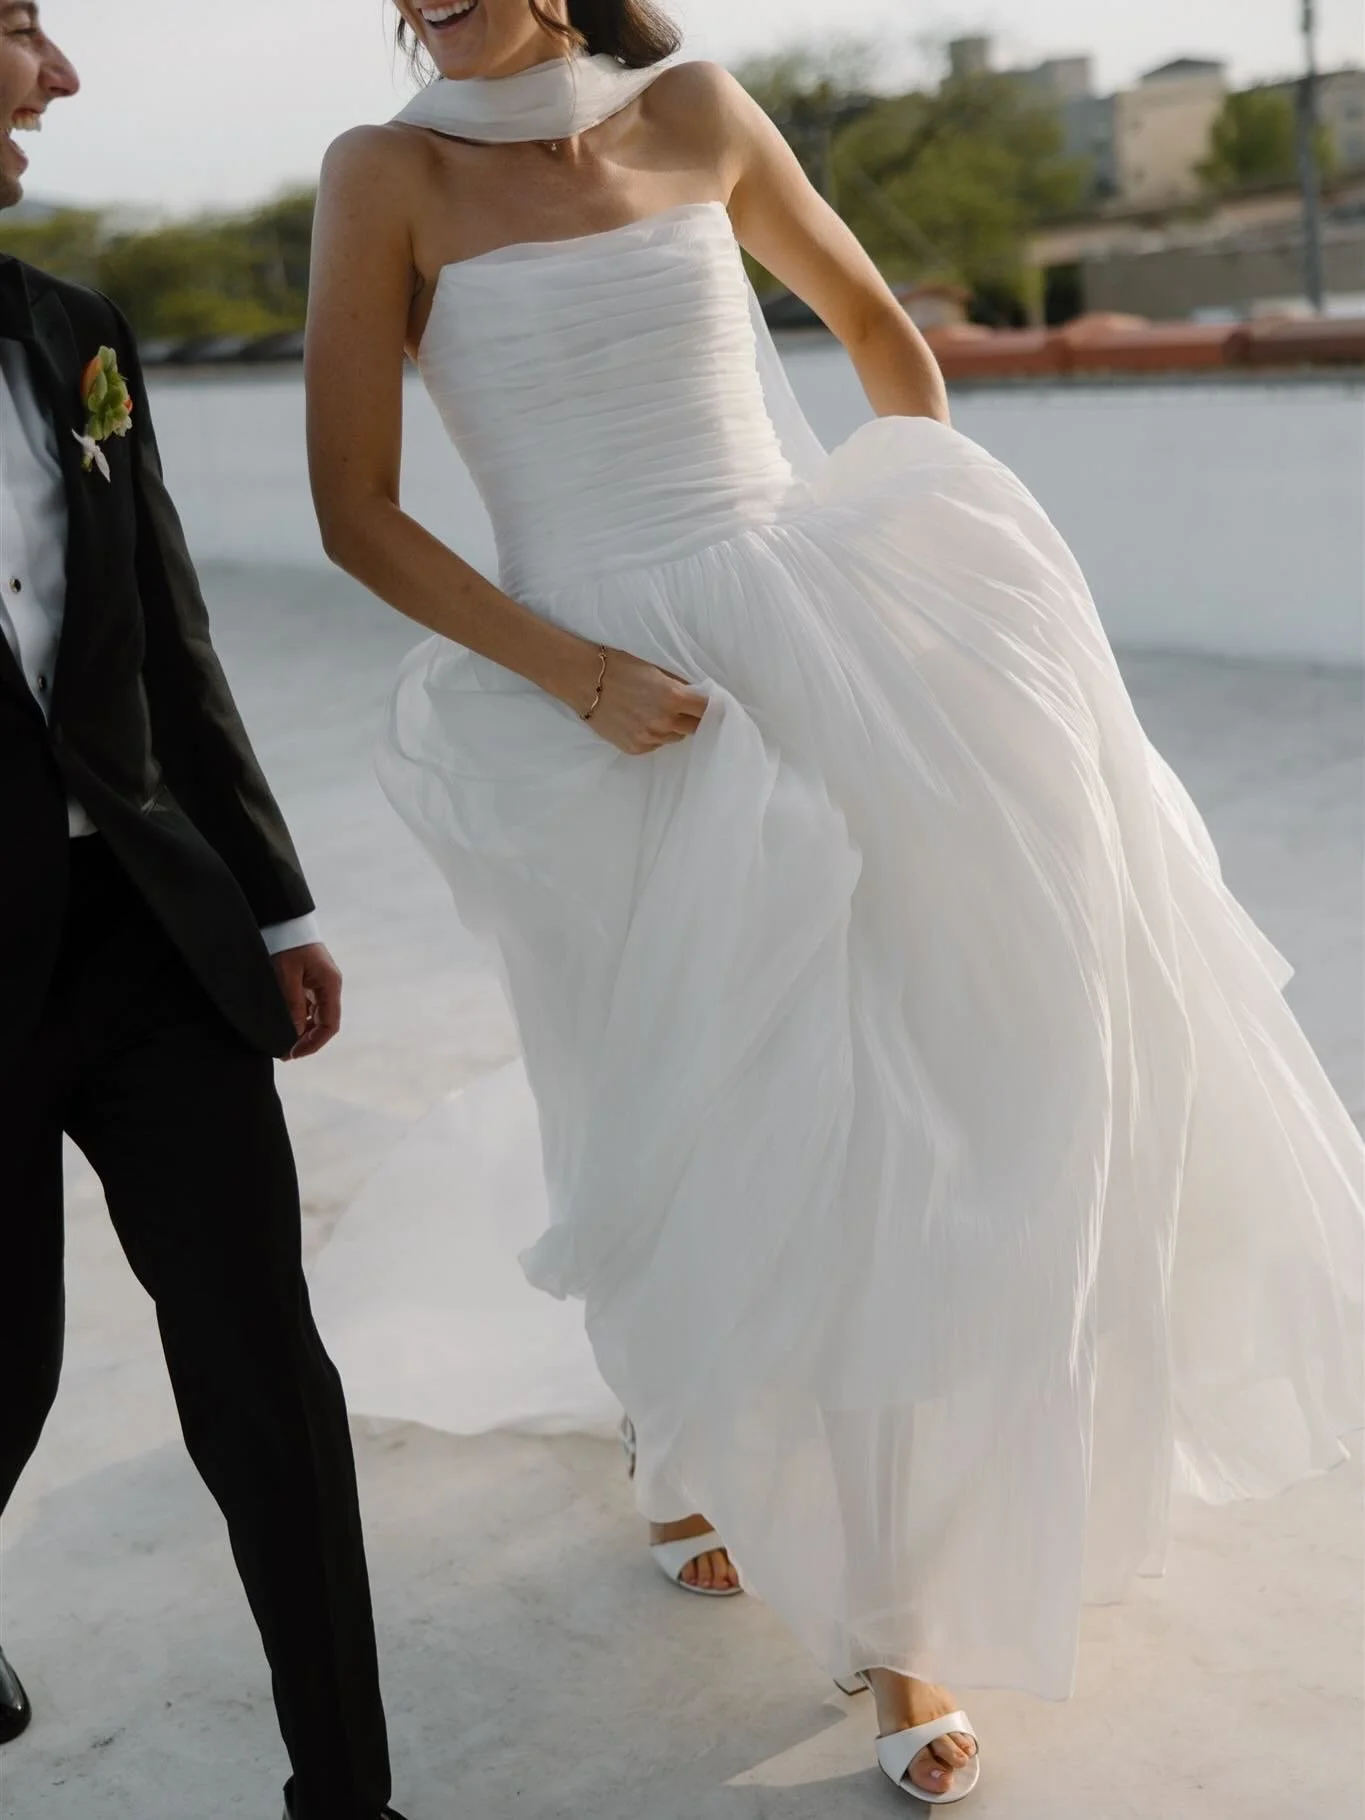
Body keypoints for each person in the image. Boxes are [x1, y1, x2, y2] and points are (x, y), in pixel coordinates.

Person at [304, 0, 1364, 1805]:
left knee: (886, 1120)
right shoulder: (384, 172)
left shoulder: (702, 111)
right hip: (613, 704)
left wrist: (917, 556)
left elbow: (876, 329)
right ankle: (682, 1423)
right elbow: (357, 507)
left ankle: (897, 1620)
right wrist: (580, 680)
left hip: (824, 645)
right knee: (657, 1102)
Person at [0, 9, 409, 1816]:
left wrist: (271, 899)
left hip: (152, 941)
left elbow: (166, 634)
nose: (62, 75)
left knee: (266, 1385)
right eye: (22, 27)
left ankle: (349, 1795)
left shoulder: (78, 335)